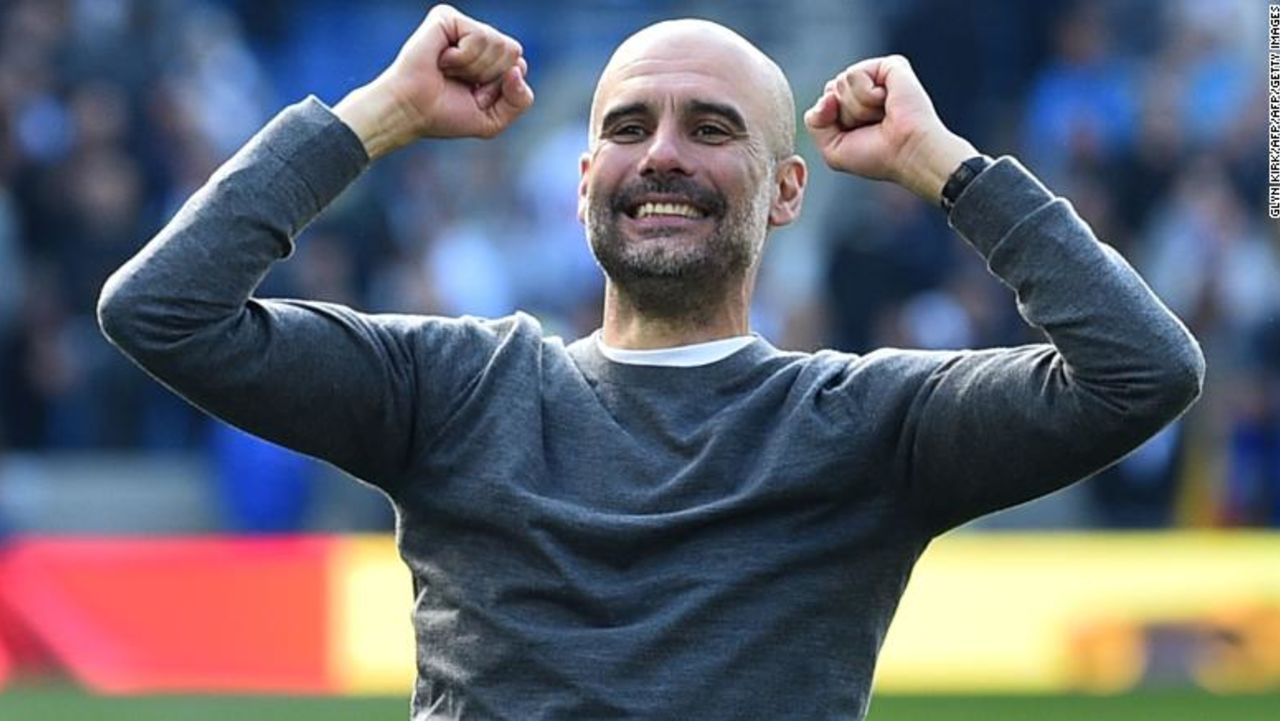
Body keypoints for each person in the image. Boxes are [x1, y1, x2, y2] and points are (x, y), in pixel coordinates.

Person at [97, 5, 1203, 720]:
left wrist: (942, 163)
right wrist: (379, 114)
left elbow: (1140, 370)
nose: (661, 153)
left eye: (710, 129)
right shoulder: (445, 388)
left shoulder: (867, 422)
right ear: (582, 180)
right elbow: (163, 309)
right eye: (628, 127)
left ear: (785, 191)